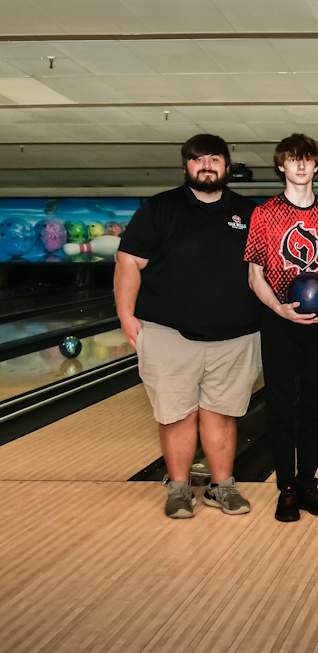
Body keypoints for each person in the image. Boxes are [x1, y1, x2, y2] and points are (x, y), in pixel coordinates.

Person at [115, 134, 260, 519]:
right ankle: (179, 490)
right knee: (176, 414)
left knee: (223, 414)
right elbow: (128, 261)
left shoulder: (249, 212)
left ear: (227, 167)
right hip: (167, 332)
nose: (206, 165)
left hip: (237, 334)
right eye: (198, 159)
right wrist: (126, 316)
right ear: (186, 167)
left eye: (215, 159)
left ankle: (222, 488)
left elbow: (261, 272)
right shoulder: (160, 209)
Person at [245, 133, 318, 522]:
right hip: (279, 322)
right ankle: (286, 487)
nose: (301, 166)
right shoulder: (265, 213)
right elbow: (255, 275)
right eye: (293, 160)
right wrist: (279, 309)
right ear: (281, 166)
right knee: (282, 407)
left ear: (316, 166)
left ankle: (308, 483)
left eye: (307, 160)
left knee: (316, 409)